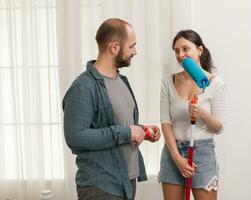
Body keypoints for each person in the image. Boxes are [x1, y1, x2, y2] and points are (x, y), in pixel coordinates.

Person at [62, 18, 160, 200]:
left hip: (126, 181)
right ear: (114, 47)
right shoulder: (83, 87)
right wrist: (126, 132)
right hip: (100, 186)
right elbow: (75, 137)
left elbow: (117, 124)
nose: (135, 51)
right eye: (132, 46)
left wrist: (141, 130)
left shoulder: (121, 81)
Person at [158, 29, 227, 200]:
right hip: (172, 152)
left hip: (202, 153)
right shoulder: (168, 81)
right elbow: (166, 121)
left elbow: (219, 128)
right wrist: (176, 157)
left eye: (185, 49)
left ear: (200, 50)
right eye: (176, 51)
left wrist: (202, 114)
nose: (180, 55)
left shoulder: (216, 84)